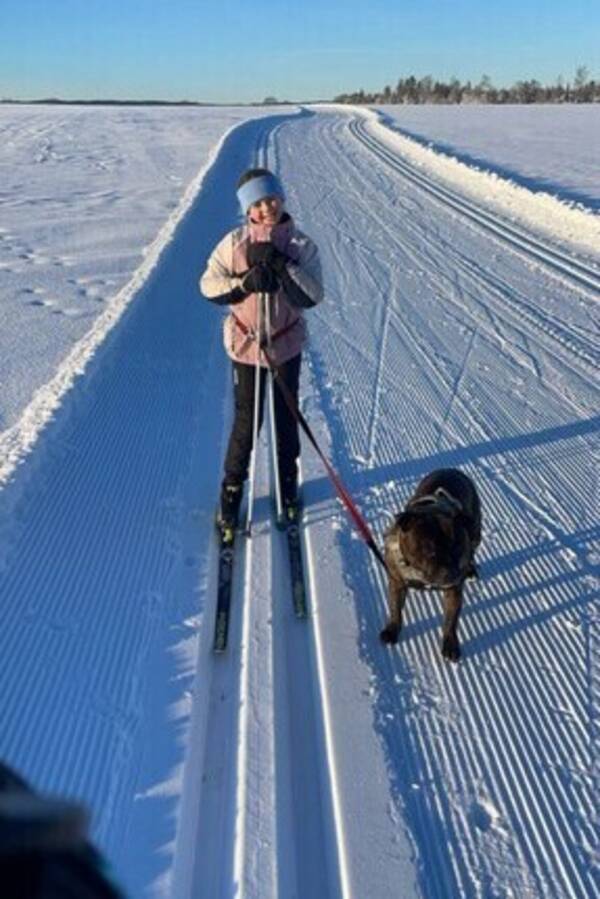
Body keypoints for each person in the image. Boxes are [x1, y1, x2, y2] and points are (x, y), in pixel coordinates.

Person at [200, 167, 323, 532]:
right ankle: (232, 493)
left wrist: (284, 267)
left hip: (285, 343)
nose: (266, 207)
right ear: (247, 209)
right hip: (246, 345)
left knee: (287, 420)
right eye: (257, 202)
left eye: (271, 198)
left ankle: (288, 489)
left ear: (281, 198)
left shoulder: (300, 245)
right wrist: (245, 282)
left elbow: (313, 295)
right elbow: (208, 284)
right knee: (246, 423)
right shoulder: (234, 243)